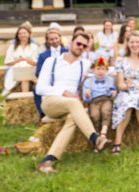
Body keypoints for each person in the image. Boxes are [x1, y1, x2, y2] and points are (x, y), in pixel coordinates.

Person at [35, 34, 111, 173]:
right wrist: (64, 92)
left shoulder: (85, 64)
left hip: (70, 106)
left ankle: (47, 161)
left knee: (73, 118)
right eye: (78, 43)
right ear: (70, 43)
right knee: (74, 102)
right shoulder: (51, 61)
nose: (81, 47)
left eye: (84, 46)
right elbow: (39, 88)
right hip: (51, 102)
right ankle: (96, 138)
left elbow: (104, 69)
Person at [111, 31, 139, 155]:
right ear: (127, 43)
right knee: (126, 102)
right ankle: (117, 141)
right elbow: (121, 85)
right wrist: (127, 86)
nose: (135, 45)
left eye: (137, 42)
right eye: (132, 42)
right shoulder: (121, 60)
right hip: (127, 91)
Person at [34, 29, 69, 123]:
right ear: (48, 41)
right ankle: (42, 115)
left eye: (56, 38)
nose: (55, 41)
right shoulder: (43, 55)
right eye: (52, 39)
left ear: (60, 38)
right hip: (48, 81)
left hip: (63, 80)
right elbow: (38, 72)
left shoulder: (67, 52)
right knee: (36, 89)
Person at [83, 57, 116, 153]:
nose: (100, 71)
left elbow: (113, 92)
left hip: (106, 99)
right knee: (94, 115)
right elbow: (86, 99)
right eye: (98, 69)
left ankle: (103, 134)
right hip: (94, 101)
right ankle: (97, 140)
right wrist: (88, 95)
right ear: (93, 69)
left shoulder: (110, 80)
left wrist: (113, 93)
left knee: (106, 111)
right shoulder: (88, 82)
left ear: (106, 70)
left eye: (103, 69)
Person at [2, 26, 38, 95]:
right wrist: (17, 61)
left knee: (25, 73)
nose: (22, 35)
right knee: (24, 73)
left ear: (28, 34)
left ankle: (25, 95)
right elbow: (7, 62)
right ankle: (39, 86)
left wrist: (26, 60)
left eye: (24, 33)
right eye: (20, 34)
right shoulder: (13, 47)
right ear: (17, 36)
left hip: (30, 68)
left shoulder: (34, 47)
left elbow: (36, 62)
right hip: (17, 69)